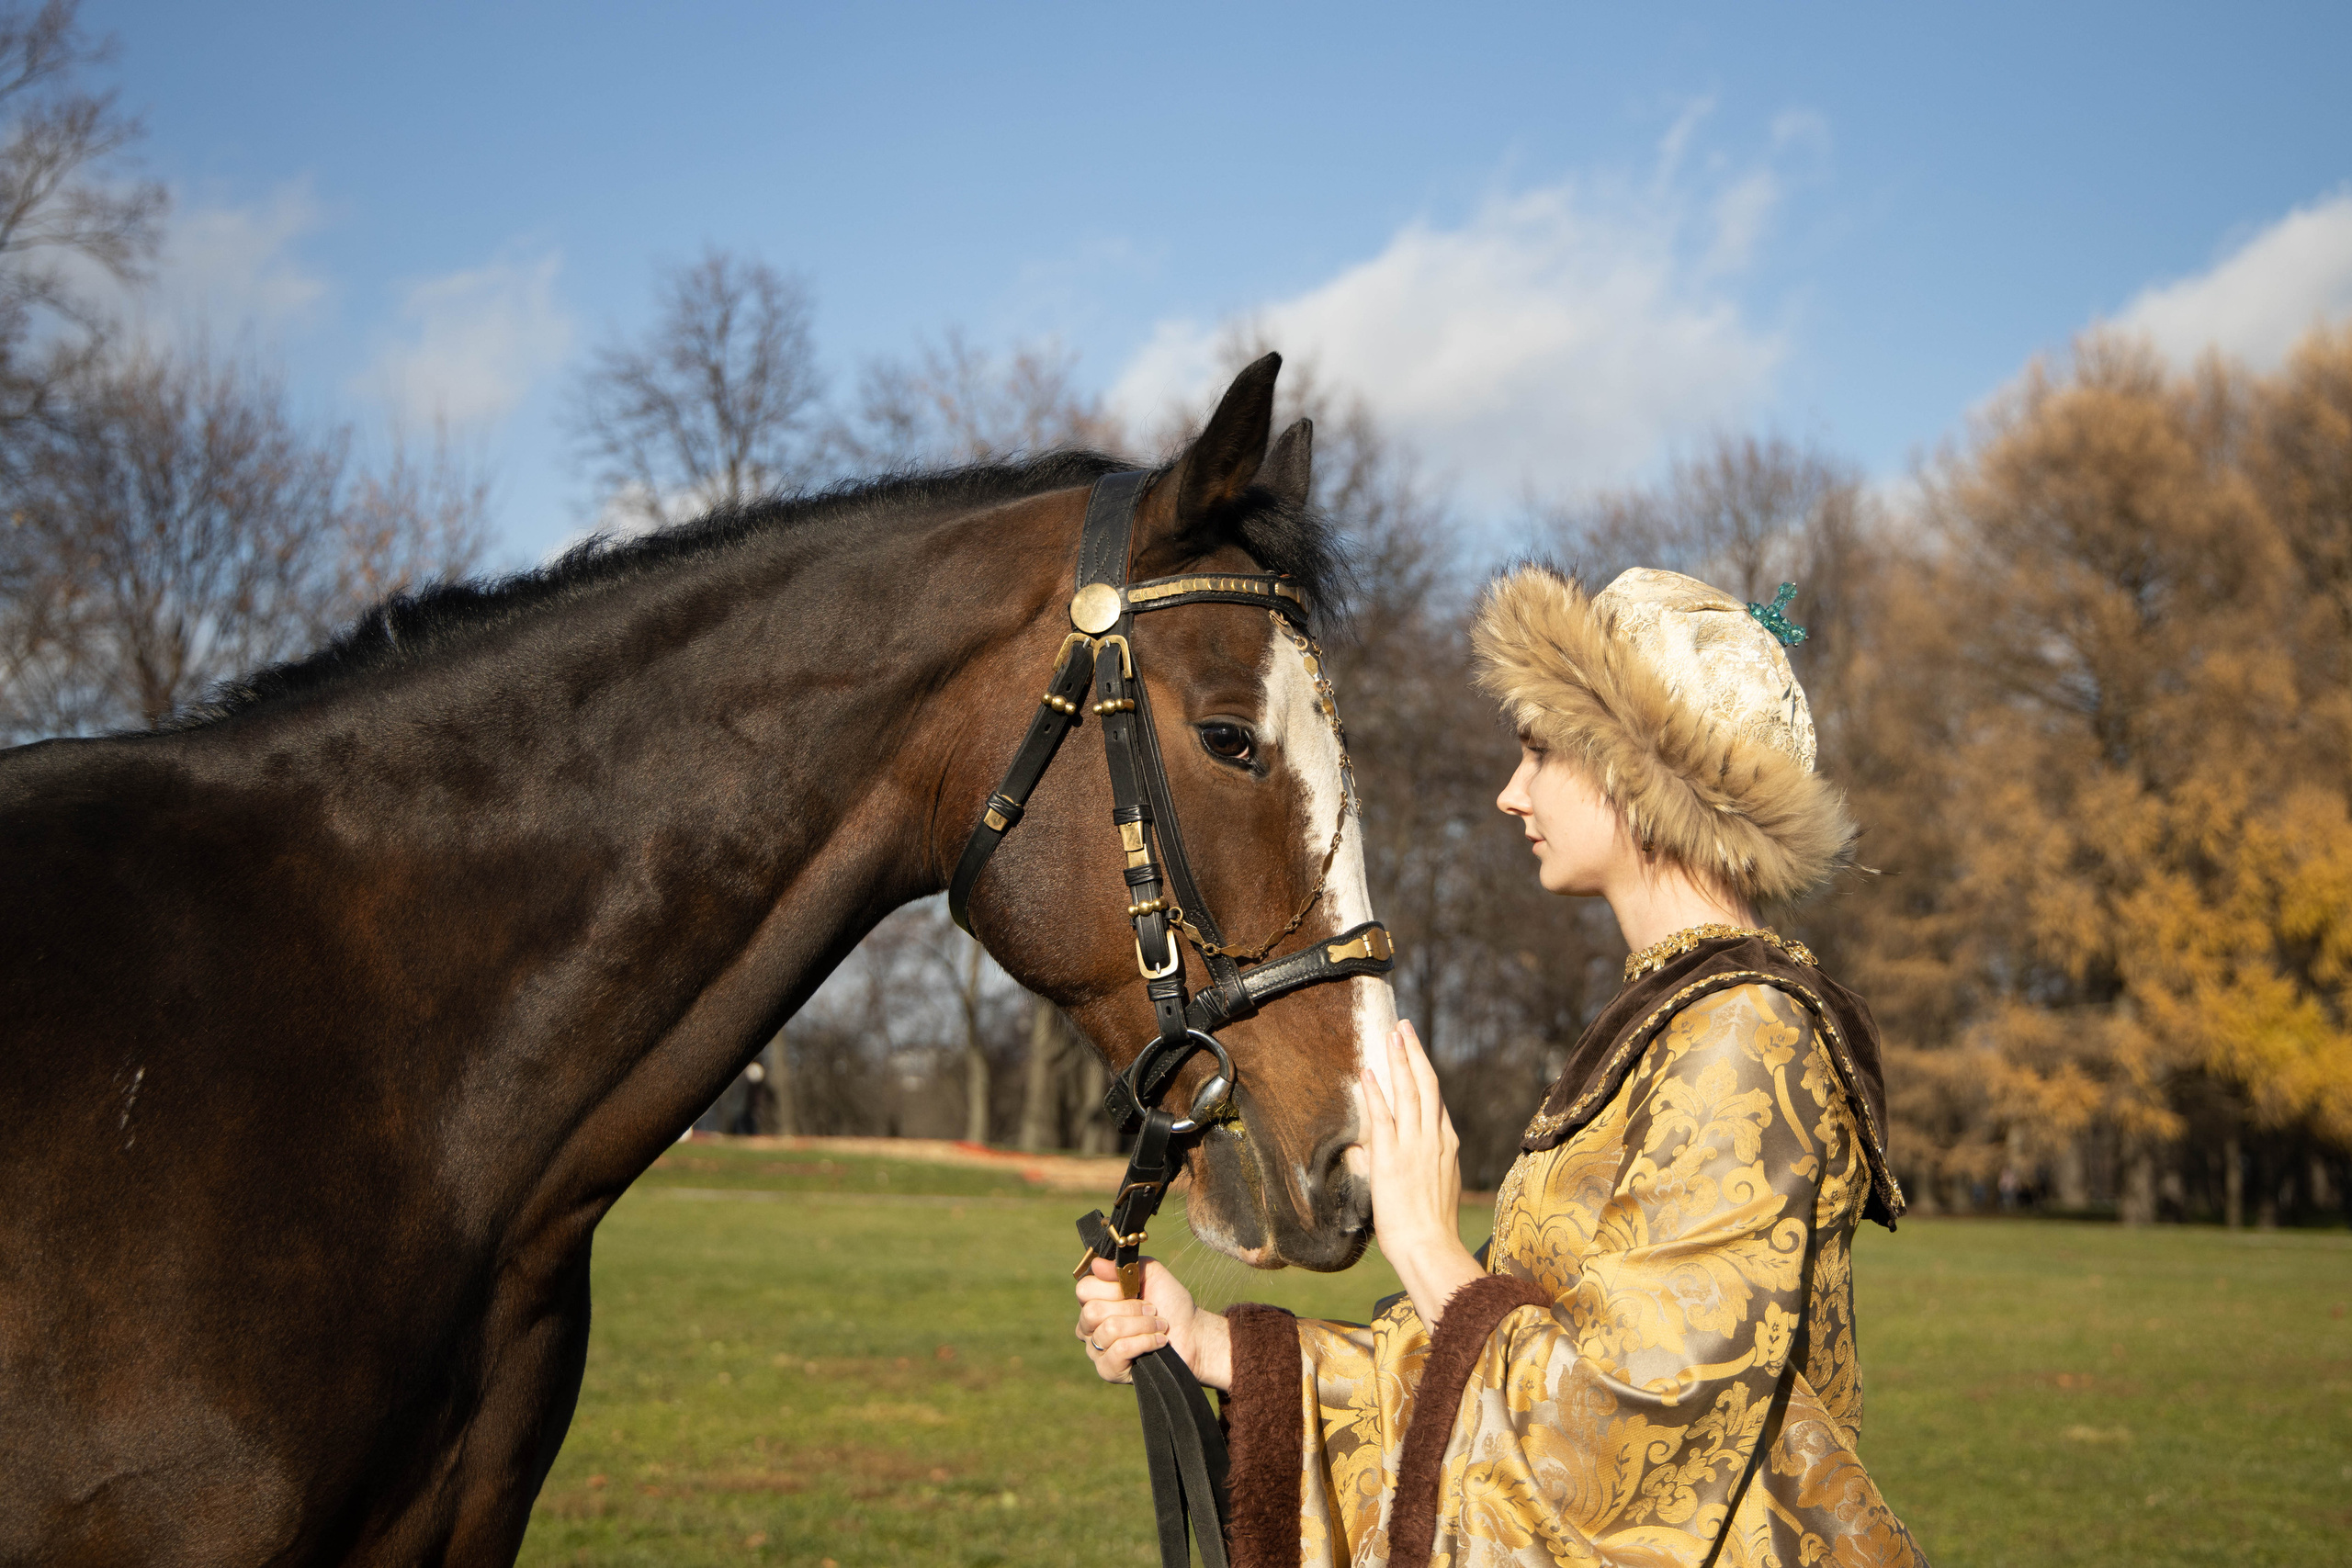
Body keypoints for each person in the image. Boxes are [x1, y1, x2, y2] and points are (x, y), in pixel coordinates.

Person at [1075, 566, 1929, 1567]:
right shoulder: (1676, 1024)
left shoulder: (1748, 1036)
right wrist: (1216, 1346)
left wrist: (1428, 1246)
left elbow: (1624, 1434)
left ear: (1634, 770)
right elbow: (1500, 1382)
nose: (1509, 791)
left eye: (1538, 750)